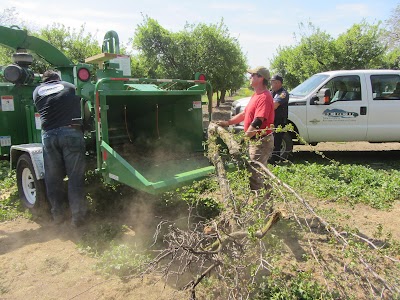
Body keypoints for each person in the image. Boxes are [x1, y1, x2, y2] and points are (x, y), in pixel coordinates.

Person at [33, 70, 87, 228]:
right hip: (71, 133)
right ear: (58, 79)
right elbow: (84, 106)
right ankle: (78, 218)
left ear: (44, 80)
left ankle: (58, 216)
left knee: (53, 178)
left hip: (49, 136)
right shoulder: (70, 87)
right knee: (75, 178)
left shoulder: (37, 92)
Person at [217, 66, 274, 194]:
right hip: (255, 140)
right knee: (260, 172)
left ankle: (260, 208)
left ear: (260, 78)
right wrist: (227, 122)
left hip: (261, 141)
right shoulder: (256, 95)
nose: (250, 77)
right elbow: (244, 114)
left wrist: (245, 137)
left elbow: (259, 121)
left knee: (256, 174)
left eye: (252, 75)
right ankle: (267, 205)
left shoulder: (264, 97)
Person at [270, 74, 289, 163]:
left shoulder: (283, 94)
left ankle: (275, 160)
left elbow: (274, 105)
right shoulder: (272, 92)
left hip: (280, 121)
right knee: (271, 140)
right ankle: (271, 158)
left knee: (277, 141)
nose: (271, 84)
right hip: (272, 120)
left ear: (278, 83)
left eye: (273, 82)